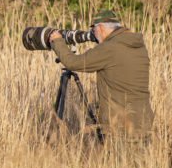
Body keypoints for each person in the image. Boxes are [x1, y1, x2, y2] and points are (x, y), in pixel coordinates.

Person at [49, 10, 154, 141]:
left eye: (93, 30)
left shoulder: (110, 48)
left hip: (120, 127)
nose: (93, 35)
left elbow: (73, 63)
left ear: (101, 28)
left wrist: (58, 42)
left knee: (119, 162)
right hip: (144, 123)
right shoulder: (138, 46)